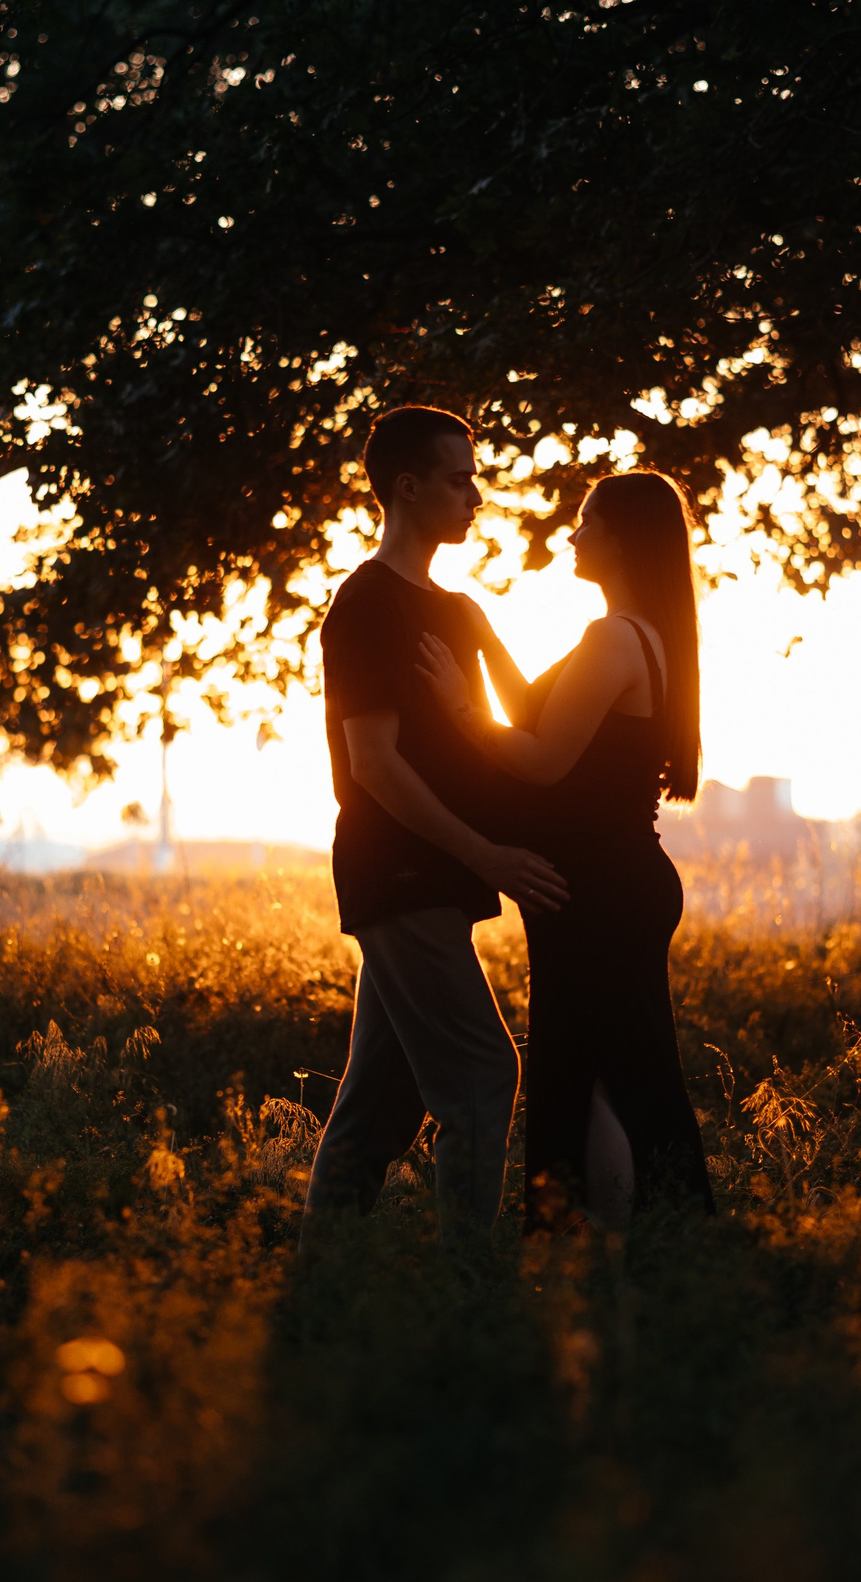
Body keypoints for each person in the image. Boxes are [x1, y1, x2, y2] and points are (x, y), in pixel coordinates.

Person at [415, 471, 717, 1230]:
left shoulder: (615, 636)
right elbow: (534, 713)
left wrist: (458, 706)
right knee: (606, 1073)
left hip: (601, 892)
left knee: (610, 1078)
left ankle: (632, 1243)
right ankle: (619, 1249)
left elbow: (543, 757)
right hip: (611, 885)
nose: (573, 535)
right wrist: (483, 641)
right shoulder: (642, 633)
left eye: (587, 523)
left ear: (620, 539)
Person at [304, 405, 569, 1234]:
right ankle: (470, 1287)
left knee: (381, 1097)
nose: (476, 495)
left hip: (439, 877)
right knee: (485, 1071)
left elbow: (523, 727)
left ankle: (320, 1288)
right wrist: (484, 854)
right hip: (399, 870)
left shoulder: (461, 612)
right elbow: (374, 764)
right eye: (460, 480)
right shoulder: (366, 605)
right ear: (407, 488)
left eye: (476, 477)